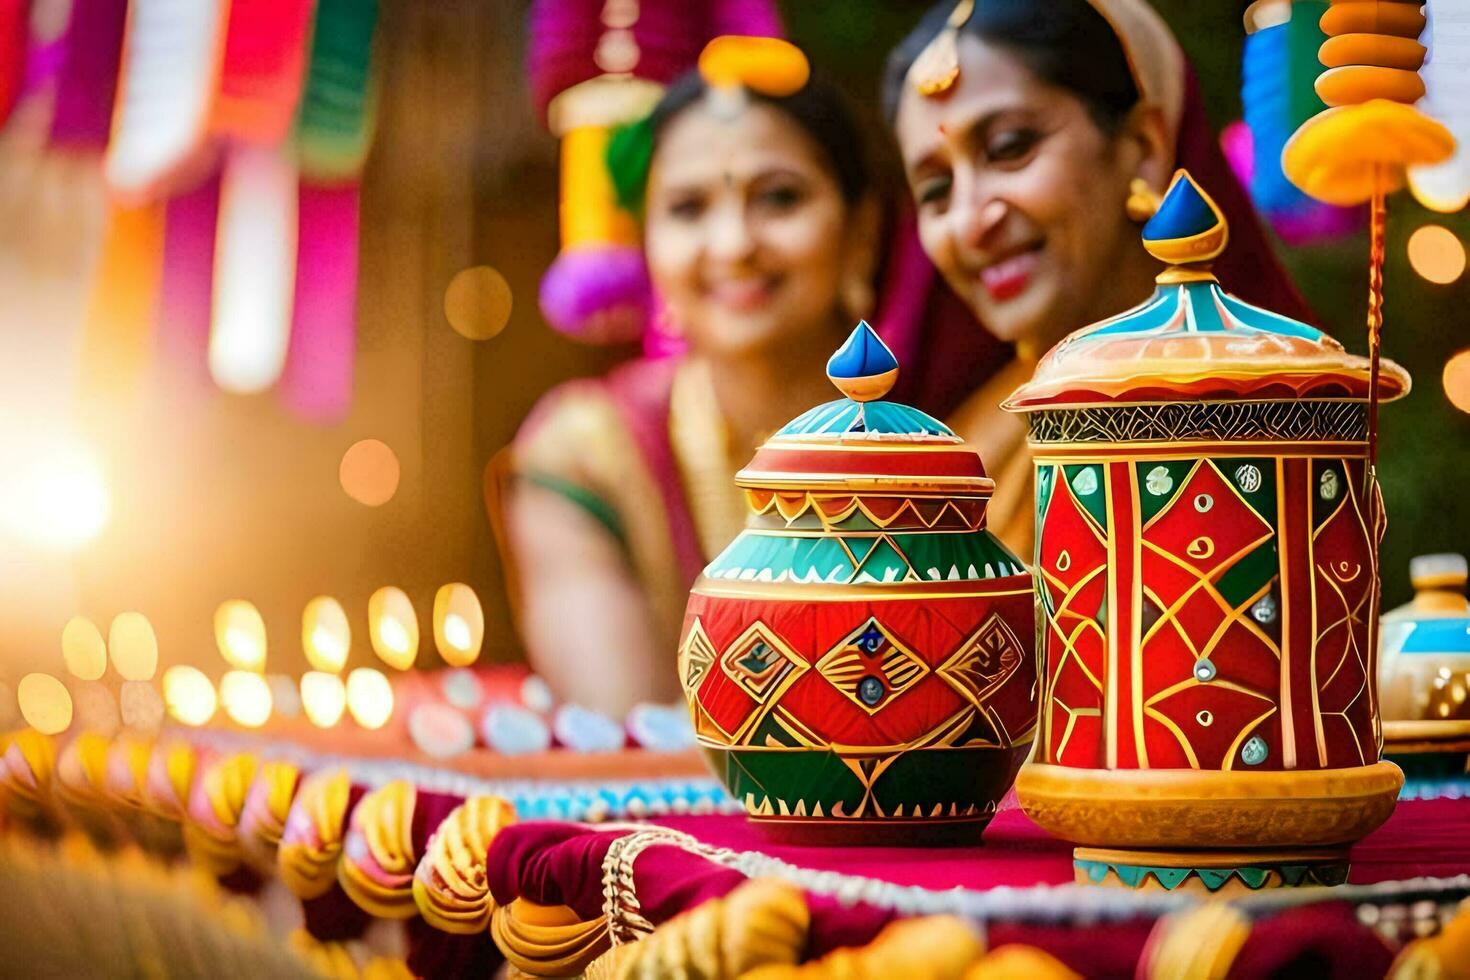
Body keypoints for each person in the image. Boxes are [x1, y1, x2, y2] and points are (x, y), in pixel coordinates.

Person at [501, 45, 896, 717]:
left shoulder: (945, 452)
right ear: (645, 244)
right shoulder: (587, 453)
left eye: (779, 197)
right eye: (688, 208)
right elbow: (628, 730)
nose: (733, 242)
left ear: (861, 232)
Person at [883, 0, 1314, 553]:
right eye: (936, 190)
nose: (970, 222)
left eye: (1010, 149)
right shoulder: (956, 461)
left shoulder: (1255, 423)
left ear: (1143, 148)